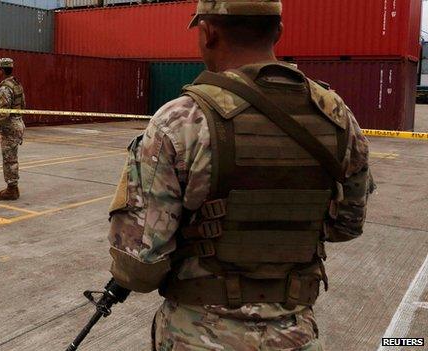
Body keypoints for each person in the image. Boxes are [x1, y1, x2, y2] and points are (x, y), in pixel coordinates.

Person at [105, 0, 375, 349]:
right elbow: (347, 225)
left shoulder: (180, 120)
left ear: (207, 32)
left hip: (197, 336)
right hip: (295, 334)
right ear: (278, 31)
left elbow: (140, 265)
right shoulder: (337, 116)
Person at [0, 58, 26, 201]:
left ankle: (12, 189)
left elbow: (3, 112)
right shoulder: (16, 83)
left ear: (2, 70)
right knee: (11, 158)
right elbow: (23, 104)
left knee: (9, 159)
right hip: (17, 122)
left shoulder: (5, 88)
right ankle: (12, 187)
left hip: (9, 126)